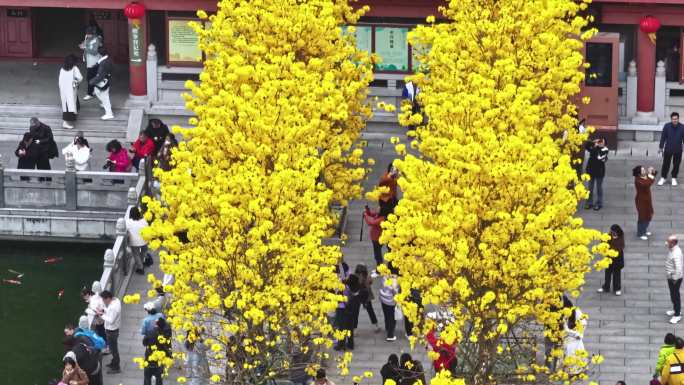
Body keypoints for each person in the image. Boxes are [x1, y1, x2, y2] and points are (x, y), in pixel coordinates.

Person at [336, 274, 368, 351]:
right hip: (353, 312)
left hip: (345, 310)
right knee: (350, 328)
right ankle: (350, 344)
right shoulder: (358, 289)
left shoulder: (348, 288)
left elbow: (341, 297)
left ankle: (341, 345)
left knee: (342, 328)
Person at [143, 317, 173, 385]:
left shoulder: (150, 332)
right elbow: (167, 346)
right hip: (159, 360)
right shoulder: (165, 335)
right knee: (159, 379)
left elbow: (144, 343)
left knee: (147, 378)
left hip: (149, 358)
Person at [98, 290, 121, 374]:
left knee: (113, 349)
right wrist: (103, 310)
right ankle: (113, 363)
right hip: (113, 330)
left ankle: (116, 367)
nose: (103, 302)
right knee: (113, 348)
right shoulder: (116, 301)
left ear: (108, 298)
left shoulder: (113, 308)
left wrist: (101, 315)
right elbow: (109, 310)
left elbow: (111, 320)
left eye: (103, 300)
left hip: (112, 331)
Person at [658, 112, 684, 186]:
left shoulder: (682, 127)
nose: (674, 120)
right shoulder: (667, 126)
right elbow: (663, 137)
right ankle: (663, 177)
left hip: (678, 149)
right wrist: (661, 147)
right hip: (668, 149)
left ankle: (674, 177)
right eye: (673, 119)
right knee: (666, 164)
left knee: (676, 164)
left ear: (678, 119)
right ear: (671, 119)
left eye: (676, 119)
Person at [363, 203, 393, 268]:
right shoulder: (380, 215)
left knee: (377, 254)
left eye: (379, 207)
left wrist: (365, 215)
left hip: (377, 238)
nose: (377, 208)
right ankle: (380, 265)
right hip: (376, 237)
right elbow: (371, 214)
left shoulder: (382, 218)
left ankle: (380, 267)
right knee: (377, 252)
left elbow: (371, 222)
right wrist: (367, 211)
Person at [598, 224, 625, 296]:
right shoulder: (608, 235)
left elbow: (620, 247)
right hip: (609, 258)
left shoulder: (620, 237)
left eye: (612, 231)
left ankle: (617, 289)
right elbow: (603, 243)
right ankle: (606, 287)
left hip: (617, 259)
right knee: (607, 273)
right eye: (611, 231)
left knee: (617, 275)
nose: (611, 232)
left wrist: (611, 250)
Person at [584, 137, 609, 210]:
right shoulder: (594, 147)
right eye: (600, 141)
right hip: (591, 170)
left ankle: (599, 203)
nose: (600, 143)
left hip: (599, 172)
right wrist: (593, 142)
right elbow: (586, 146)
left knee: (599, 188)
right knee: (590, 188)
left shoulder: (605, 150)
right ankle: (589, 202)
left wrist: (595, 147)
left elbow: (599, 157)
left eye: (602, 142)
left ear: (605, 144)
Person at [354, 264, 381, 332]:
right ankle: (376, 325)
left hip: (357, 296)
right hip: (367, 296)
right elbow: (370, 283)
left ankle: (354, 329)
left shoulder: (355, 278)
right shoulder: (368, 278)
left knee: (355, 312)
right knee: (370, 311)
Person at [89, 46, 114, 120]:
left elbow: (100, 76)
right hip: (107, 79)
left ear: (100, 54)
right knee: (98, 92)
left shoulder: (103, 63)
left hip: (103, 80)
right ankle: (106, 105)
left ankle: (109, 114)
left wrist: (92, 82)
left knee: (105, 97)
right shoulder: (108, 59)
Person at [59, 54, 83, 129]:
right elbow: (80, 78)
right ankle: (65, 122)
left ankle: (75, 111)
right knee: (70, 105)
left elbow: (60, 80)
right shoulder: (74, 68)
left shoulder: (62, 69)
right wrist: (75, 82)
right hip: (71, 89)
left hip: (63, 90)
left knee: (67, 104)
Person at [633, 165, 657, 240]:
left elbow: (653, 174)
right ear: (639, 174)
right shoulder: (638, 180)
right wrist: (650, 174)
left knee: (649, 214)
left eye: (644, 169)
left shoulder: (645, 176)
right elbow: (648, 183)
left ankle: (644, 229)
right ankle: (640, 233)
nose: (645, 171)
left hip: (647, 200)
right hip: (641, 201)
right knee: (642, 217)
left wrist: (652, 170)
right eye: (643, 170)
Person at [79, 25, 102, 100]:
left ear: (93, 33)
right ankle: (94, 90)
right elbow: (85, 43)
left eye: (89, 34)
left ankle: (90, 93)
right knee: (94, 77)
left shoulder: (97, 39)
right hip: (89, 61)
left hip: (94, 62)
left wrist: (85, 47)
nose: (87, 35)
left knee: (90, 78)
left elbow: (95, 52)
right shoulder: (88, 38)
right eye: (87, 33)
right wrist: (82, 45)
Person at [379, 263, 400, 341]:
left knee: (386, 315)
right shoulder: (395, 279)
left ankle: (387, 327)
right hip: (391, 301)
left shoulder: (385, 276)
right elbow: (395, 291)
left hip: (383, 299)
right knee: (392, 318)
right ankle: (390, 335)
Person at [666, 235, 684, 324]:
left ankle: (677, 315)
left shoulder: (676, 253)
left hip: (674, 279)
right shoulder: (673, 249)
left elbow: (679, 268)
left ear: (673, 243)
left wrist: (674, 278)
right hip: (672, 277)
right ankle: (676, 310)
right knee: (673, 295)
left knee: (675, 296)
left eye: (668, 242)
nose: (666, 243)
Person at [127, 206, 149, 274]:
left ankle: (140, 267)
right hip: (144, 240)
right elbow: (147, 227)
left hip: (134, 242)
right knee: (143, 251)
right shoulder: (143, 221)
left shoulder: (128, 222)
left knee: (136, 254)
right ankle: (142, 262)